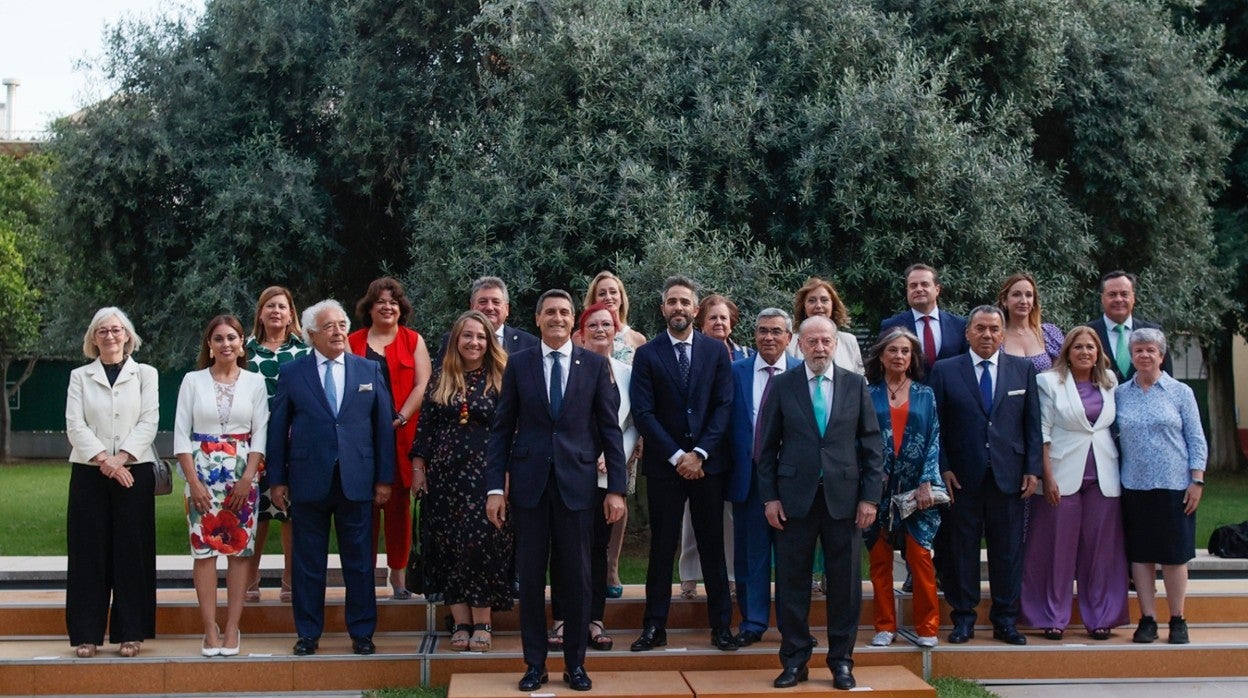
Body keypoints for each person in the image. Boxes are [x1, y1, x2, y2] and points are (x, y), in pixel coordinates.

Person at [485, 289, 627, 692]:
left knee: (578, 579)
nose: (558, 318)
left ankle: (575, 665)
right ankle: (534, 665)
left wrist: (615, 488)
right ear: (538, 318)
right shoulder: (518, 364)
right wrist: (495, 487)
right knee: (530, 579)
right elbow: (501, 430)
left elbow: (610, 432)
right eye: (550, 312)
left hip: (578, 489)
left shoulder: (595, 366)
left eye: (565, 312)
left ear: (573, 319)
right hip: (529, 489)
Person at [756, 316, 883, 690]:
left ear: (835, 343)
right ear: (799, 344)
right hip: (794, 501)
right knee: (792, 583)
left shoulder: (855, 385)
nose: (819, 348)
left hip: (844, 501)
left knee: (844, 586)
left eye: (826, 341)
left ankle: (841, 662)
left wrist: (870, 498)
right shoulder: (782, 386)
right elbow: (765, 450)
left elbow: (872, 447)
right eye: (812, 341)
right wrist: (770, 498)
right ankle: (794, 662)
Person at [266, 300, 396, 657]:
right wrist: (277, 479)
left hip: (357, 480)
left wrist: (384, 478)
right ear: (311, 335)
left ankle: (362, 633)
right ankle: (308, 633)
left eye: (341, 324)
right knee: (308, 563)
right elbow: (278, 429)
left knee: (359, 562)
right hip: (308, 480)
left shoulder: (369, 370)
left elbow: (383, 428)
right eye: (329, 327)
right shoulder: (293, 373)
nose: (339, 332)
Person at [629, 276, 737, 653]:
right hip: (664, 467)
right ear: (663, 309)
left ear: (695, 309)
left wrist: (700, 454)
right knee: (661, 548)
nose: (678, 307)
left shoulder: (715, 351)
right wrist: (678, 456)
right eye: (671, 301)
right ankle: (654, 627)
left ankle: (721, 626)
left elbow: (724, 406)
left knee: (712, 547)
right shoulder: (647, 355)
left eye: (684, 302)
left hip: (708, 466)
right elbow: (643, 412)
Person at [928, 306, 1042, 646]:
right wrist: (943, 467)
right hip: (961, 478)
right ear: (968, 333)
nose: (987, 334)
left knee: (1007, 552)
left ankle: (1005, 620)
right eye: (980, 328)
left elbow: (1032, 425)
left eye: (994, 329)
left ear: (1003, 334)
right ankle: (963, 618)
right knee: (961, 551)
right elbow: (937, 425)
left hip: (1009, 477)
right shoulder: (946, 370)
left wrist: (1032, 469)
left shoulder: (1021, 370)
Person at [411, 311, 514, 651]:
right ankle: (461, 621)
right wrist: (418, 468)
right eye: (467, 336)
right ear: (456, 340)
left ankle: (483, 620)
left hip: (487, 477)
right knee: (448, 546)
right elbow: (425, 428)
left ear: (489, 342)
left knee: (479, 545)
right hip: (443, 480)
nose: (474, 342)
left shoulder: (503, 377)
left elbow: (514, 431)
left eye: (481, 337)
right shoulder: (441, 377)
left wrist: (508, 477)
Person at [173, 315, 270, 657]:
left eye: (232, 337)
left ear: (242, 343)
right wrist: (193, 482)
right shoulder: (192, 381)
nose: (226, 343)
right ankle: (209, 629)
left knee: (240, 552)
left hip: (243, 477)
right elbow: (181, 437)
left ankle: (232, 627)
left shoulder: (255, 383)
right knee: (204, 551)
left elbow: (261, 435)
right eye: (218, 338)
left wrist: (248, 478)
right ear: (209, 346)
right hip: (201, 475)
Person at [65, 308, 159, 659]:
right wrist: (106, 460)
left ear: (127, 335)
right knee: (88, 552)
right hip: (90, 472)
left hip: (135, 470)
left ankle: (130, 632)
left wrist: (122, 460)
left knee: (131, 553)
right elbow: (75, 425)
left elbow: (150, 421)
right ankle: (86, 634)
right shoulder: (80, 376)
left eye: (116, 330)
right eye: (102, 331)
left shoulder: (145, 374)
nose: (109, 336)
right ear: (93, 338)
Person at [1021, 326, 1127, 640]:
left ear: (1098, 353)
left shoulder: (1110, 382)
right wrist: (1047, 477)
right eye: (1078, 347)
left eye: (1090, 347)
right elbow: (1042, 431)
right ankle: (1052, 616)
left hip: (1104, 477)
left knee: (1100, 551)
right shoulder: (1048, 382)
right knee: (1056, 550)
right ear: (1067, 351)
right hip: (1061, 475)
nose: (1084, 352)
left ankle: (1101, 617)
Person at [548, 302, 640, 653]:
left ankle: (594, 619)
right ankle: (561, 618)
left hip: (608, 475)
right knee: (564, 547)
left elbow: (631, 426)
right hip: (570, 473)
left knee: (597, 548)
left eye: (607, 324)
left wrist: (616, 454)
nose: (601, 330)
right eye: (593, 325)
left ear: (616, 331)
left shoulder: (628, 373)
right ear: (580, 333)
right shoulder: (568, 367)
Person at [1116, 328, 1206, 645]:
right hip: (1134, 485)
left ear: (1161, 355)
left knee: (1174, 556)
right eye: (1138, 350)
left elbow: (1196, 439)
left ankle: (1177, 619)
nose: (1143, 355)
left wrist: (1197, 480)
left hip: (1175, 485)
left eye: (1150, 350)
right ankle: (1148, 619)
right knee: (1141, 556)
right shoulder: (1120, 394)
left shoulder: (1181, 393)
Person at [348, 277, 432, 599]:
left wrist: (400, 417)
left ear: (401, 309)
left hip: (400, 437)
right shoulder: (353, 342)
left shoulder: (413, 341)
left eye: (393, 302)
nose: (387, 306)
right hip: (360, 442)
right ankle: (364, 578)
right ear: (369, 308)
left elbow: (422, 385)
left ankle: (398, 577)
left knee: (399, 511)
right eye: (380, 301)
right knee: (361, 511)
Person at [725, 308, 801, 647]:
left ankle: (791, 625)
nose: (768, 337)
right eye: (762, 331)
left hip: (792, 479)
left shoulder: (802, 373)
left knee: (790, 555)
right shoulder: (735, 372)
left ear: (788, 337)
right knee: (751, 554)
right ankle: (753, 622)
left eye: (776, 331)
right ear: (754, 335)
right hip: (749, 476)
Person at [862, 327, 942, 648]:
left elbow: (935, 436)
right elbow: (860, 440)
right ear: (881, 356)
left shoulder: (926, 394)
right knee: (879, 561)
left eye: (905, 351)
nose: (899, 356)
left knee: (920, 556)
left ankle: (927, 627)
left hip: (916, 490)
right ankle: (884, 626)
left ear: (912, 358)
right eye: (892, 350)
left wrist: (927, 480)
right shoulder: (868, 394)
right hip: (877, 490)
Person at [678, 293, 746, 600]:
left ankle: (730, 576)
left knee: (729, 515)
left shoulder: (746, 355)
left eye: (724, 318)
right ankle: (690, 575)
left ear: (732, 322)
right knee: (692, 515)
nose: (719, 323)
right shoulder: (694, 355)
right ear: (701, 322)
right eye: (712, 318)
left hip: (735, 443)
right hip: (700, 444)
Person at [244, 286, 309, 603]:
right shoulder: (245, 351)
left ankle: (289, 580)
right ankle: (249, 580)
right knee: (254, 512)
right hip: (252, 444)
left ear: (290, 313)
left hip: (293, 443)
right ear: (260, 313)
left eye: (282, 306)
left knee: (289, 514)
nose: (275, 312)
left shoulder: (304, 351)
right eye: (269, 306)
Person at [1087, 270, 1174, 383]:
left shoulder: (1154, 332)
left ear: (1133, 298)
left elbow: (1167, 379)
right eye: (1112, 294)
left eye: (1124, 294)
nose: (1118, 299)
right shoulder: (1087, 334)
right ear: (1102, 298)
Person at [879, 263, 969, 370]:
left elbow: (966, 364)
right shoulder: (891, 326)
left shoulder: (959, 325)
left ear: (937, 289)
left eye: (925, 284)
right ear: (907, 291)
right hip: (907, 386)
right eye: (913, 286)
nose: (919, 289)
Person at [435, 276, 539, 365]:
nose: (489, 307)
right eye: (483, 301)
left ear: (507, 309)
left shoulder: (529, 344)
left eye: (496, 302)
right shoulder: (452, 340)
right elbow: (441, 380)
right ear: (472, 307)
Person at [787, 277, 863, 374]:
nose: (818, 305)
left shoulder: (849, 342)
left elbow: (861, 381)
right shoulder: (790, 343)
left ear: (833, 305)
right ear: (804, 307)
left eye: (824, 300)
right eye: (812, 300)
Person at [997, 273, 1064, 373]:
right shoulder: (996, 337)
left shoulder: (1049, 333)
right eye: (1016, 294)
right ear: (1004, 300)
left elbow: (1063, 372)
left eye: (1028, 295)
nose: (1023, 301)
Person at [583, 270, 647, 362]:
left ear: (621, 298)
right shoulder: (581, 336)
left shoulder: (637, 339)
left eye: (613, 292)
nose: (608, 297)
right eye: (602, 294)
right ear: (594, 300)